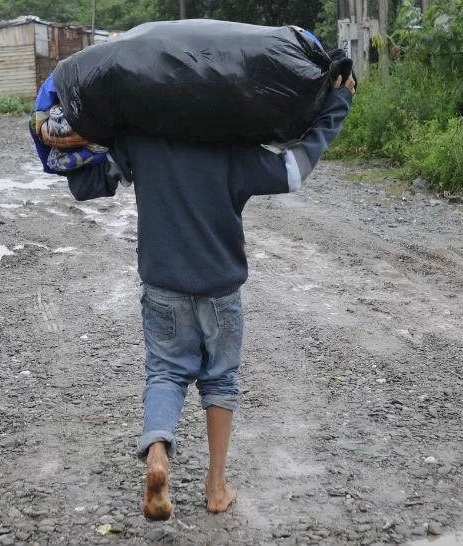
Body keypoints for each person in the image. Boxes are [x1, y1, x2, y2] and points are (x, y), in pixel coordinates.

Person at [66, 70, 356, 521]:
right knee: (220, 380)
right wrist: (337, 107)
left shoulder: (142, 140)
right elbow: (296, 168)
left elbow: (90, 183)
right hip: (221, 288)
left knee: (164, 373)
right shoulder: (233, 146)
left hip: (163, 285)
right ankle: (216, 488)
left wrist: (63, 148)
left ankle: (159, 452)